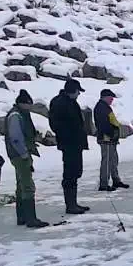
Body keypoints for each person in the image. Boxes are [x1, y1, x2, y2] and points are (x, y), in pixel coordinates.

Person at [4, 90, 48, 228]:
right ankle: (31, 219)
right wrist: (24, 154)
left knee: (21, 185)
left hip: (19, 154)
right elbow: (16, 138)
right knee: (27, 186)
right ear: (24, 104)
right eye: (29, 104)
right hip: (20, 155)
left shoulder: (20, 113)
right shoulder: (16, 116)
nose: (30, 107)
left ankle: (22, 217)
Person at [49, 78, 89, 215]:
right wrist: (69, 135)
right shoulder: (59, 103)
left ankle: (73, 202)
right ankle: (70, 205)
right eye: (78, 91)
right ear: (72, 90)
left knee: (76, 171)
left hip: (75, 144)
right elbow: (56, 125)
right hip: (69, 144)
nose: (79, 94)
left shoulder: (70, 102)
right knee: (70, 173)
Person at [93, 88, 129, 192]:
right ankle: (104, 184)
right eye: (111, 98)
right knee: (107, 161)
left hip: (110, 138)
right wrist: (112, 134)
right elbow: (103, 124)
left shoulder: (105, 107)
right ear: (105, 97)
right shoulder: (101, 108)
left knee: (113, 160)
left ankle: (116, 180)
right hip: (106, 139)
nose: (112, 100)